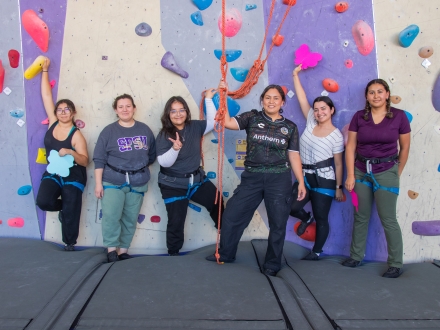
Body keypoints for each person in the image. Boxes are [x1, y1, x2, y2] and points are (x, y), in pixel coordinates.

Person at [206, 80, 306, 276]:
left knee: (278, 223)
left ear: (282, 103)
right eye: (267, 97)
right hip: (252, 177)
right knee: (232, 215)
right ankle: (226, 253)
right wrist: (223, 97)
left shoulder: (290, 127)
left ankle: (273, 263)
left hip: (279, 179)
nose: (271, 101)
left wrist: (301, 181)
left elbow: (294, 155)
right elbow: (226, 122)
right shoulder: (251, 117)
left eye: (276, 98)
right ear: (262, 101)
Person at [343, 78, 410, 278]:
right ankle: (355, 256)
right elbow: (351, 147)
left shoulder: (399, 117)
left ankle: (396, 264)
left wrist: (397, 172)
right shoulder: (358, 117)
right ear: (366, 96)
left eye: (380, 91)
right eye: (371, 92)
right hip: (361, 171)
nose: (376, 96)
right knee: (361, 216)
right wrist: (350, 175)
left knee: (388, 219)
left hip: (387, 170)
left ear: (387, 94)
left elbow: (405, 147)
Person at [156, 90, 224, 256]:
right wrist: (174, 148)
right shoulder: (164, 134)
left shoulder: (194, 126)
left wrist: (208, 99)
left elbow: (214, 122)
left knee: (218, 203)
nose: (178, 114)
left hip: (196, 180)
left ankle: (225, 237)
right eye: (173, 111)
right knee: (176, 222)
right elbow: (164, 162)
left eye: (181, 110)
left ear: (186, 111)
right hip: (172, 184)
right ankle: (173, 254)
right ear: (168, 114)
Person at [290, 64, 344, 260]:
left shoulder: (336, 136)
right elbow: (302, 97)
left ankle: (317, 251)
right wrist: (295, 75)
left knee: (322, 218)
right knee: (291, 207)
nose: (320, 112)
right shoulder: (311, 121)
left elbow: (338, 164)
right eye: (317, 109)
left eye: (324, 109)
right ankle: (306, 218)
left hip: (324, 181)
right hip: (304, 177)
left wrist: (339, 187)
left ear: (331, 110)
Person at [94, 94, 156, 262]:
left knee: (130, 217)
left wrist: (137, 168)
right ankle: (111, 249)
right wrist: (98, 184)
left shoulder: (144, 130)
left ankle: (123, 250)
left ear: (134, 108)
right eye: (121, 107)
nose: (125, 110)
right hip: (113, 180)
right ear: (116, 110)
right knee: (111, 216)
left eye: (128, 106)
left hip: (138, 181)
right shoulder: (108, 131)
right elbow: (99, 159)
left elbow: (151, 155)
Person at [36, 57, 88, 251]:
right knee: (44, 201)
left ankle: (69, 243)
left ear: (73, 113)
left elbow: (85, 161)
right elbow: (46, 96)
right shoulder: (52, 122)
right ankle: (64, 209)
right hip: (54, 171)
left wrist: (71, 153)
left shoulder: (77, 135)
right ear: (56, 112)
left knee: (72, 206)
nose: (63, 112)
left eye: (67, 109)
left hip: (74, 174)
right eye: (60, 109)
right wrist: (45, 71)